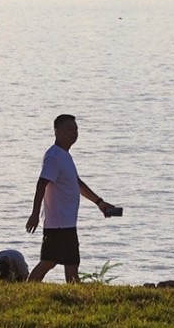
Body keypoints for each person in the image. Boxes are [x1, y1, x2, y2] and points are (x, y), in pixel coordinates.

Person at [25, 114, 116, 283]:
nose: (74, 133)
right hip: (58, 223)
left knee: (71, 263)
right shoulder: (53, 157)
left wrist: (99, 203)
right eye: (69, 129)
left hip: (67, 223)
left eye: (76, 129)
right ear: (57, 132)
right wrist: (35, 214)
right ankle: (26, 292)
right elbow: (41, 184)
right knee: (48, 262)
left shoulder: (65, 156)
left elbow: (76, 183)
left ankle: (75, 296)